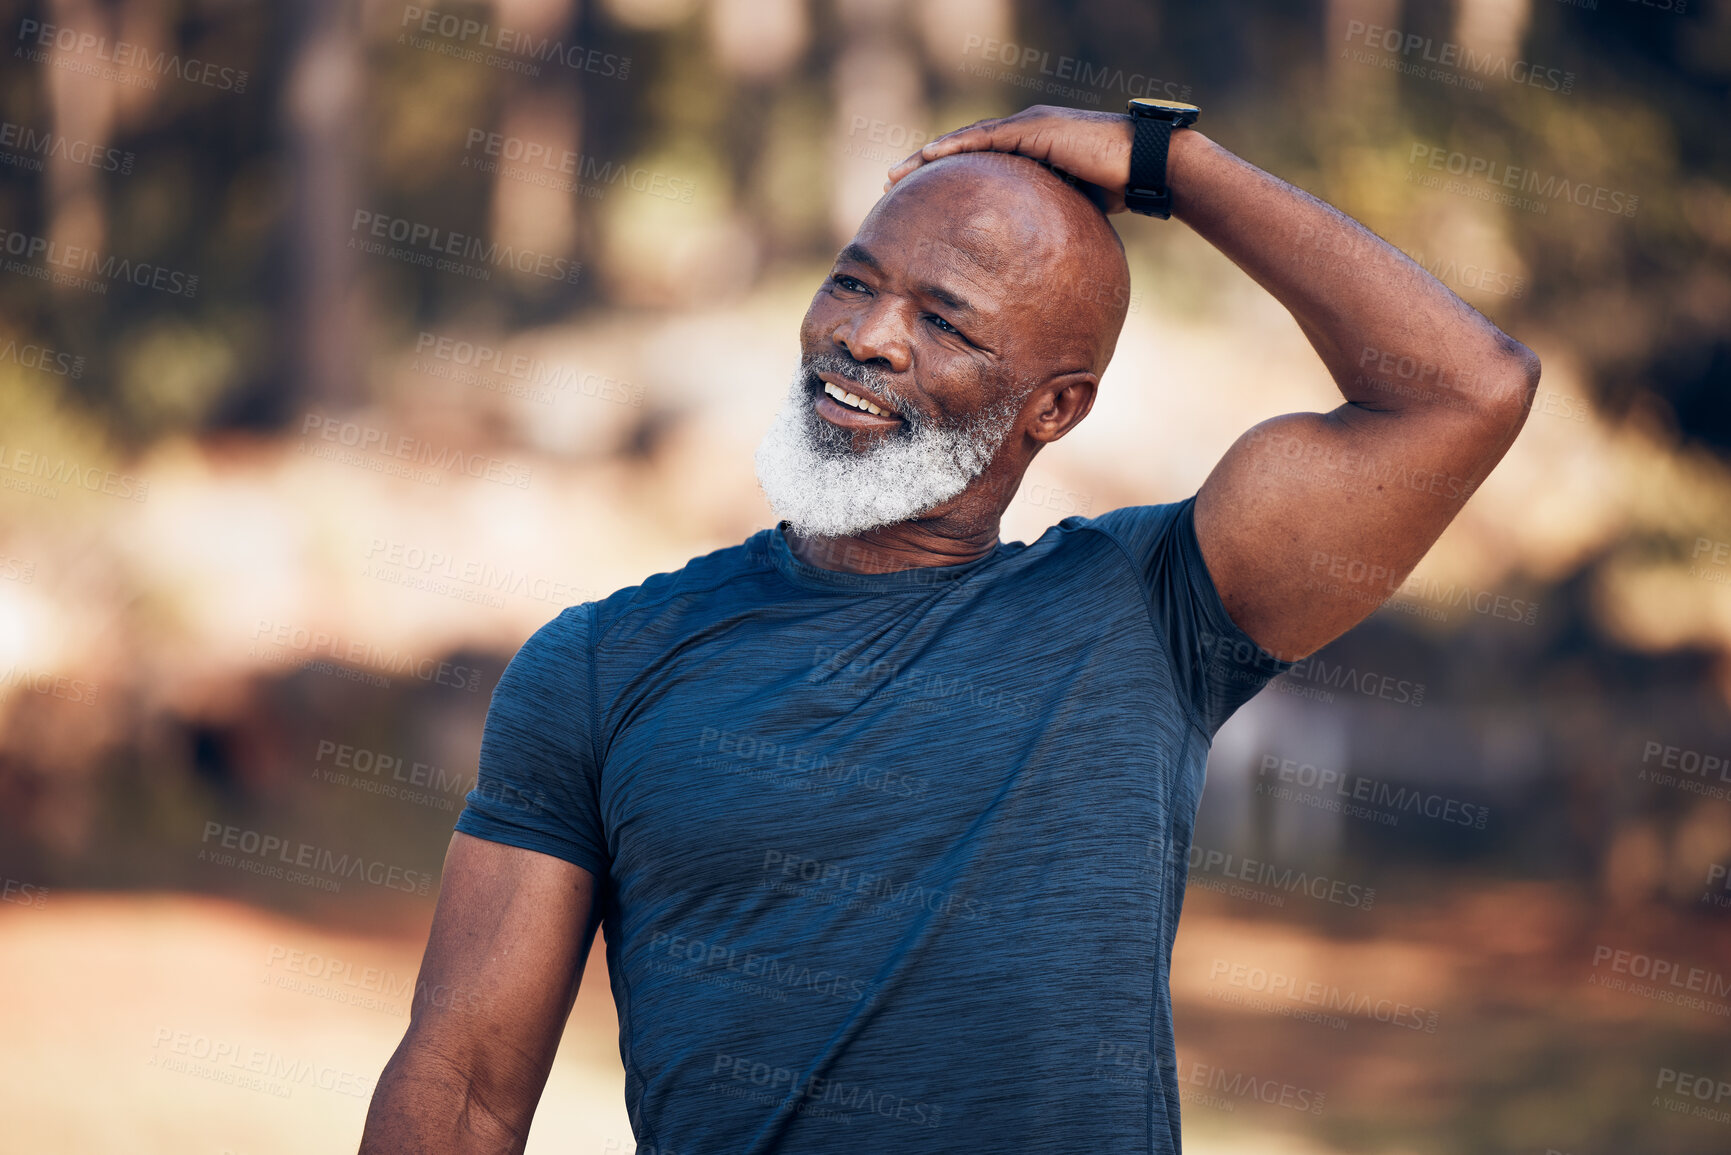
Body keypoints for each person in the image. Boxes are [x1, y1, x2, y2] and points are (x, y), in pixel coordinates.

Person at [359, 104, 1539, 1154]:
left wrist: (1164, 160)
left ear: (1055, 408)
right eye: (854, 281)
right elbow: (463, 1088)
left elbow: (1464, 388)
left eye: (947, 322)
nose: (869, 337)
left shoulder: (1154, 610)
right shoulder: (600, 663)